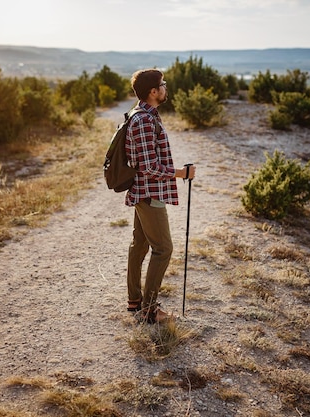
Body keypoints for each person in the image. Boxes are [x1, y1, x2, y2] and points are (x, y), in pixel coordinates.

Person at [124, 69, 196, 324]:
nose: (166, 88)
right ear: (153, 92)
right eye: (162, 85)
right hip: (148, 193)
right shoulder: (143, 120)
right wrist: (182, 173)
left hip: (144, 192)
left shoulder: (146, 115)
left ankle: (136, 301)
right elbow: (148, 166)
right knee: (163, 249)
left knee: (141, 245)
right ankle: (149, 310)